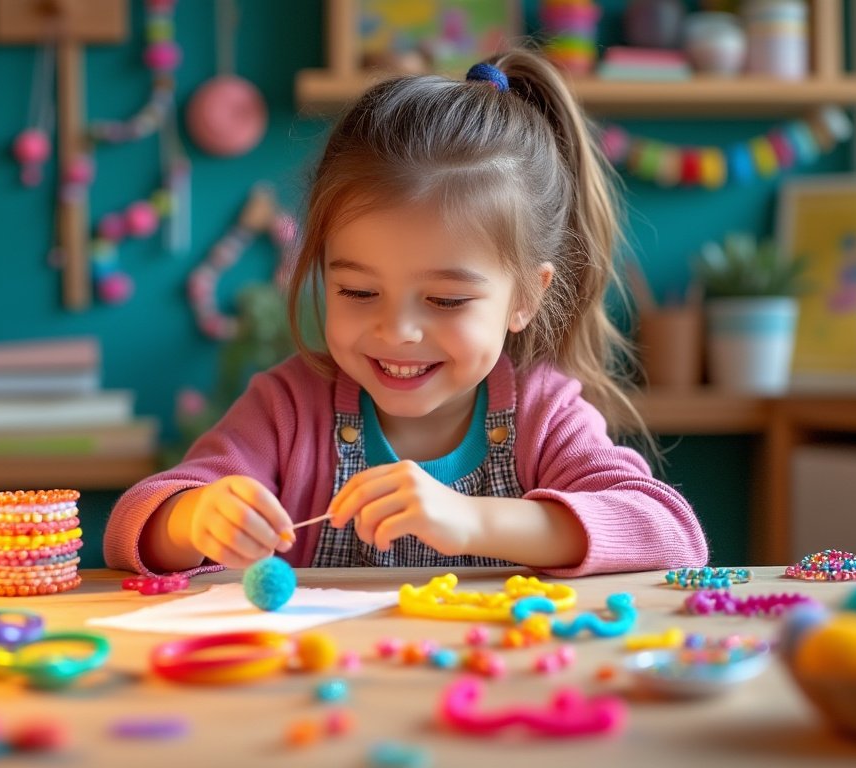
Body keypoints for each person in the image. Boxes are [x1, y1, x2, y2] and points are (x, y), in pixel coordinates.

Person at [104, 47, 708, 577]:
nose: (397, 331)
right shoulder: (290, 407)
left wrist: (472, 521)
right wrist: (193, 519)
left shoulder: (543, 412)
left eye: (445, 300)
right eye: (358, 293)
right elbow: (133, 525)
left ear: (525, 297)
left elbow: (670, 532)